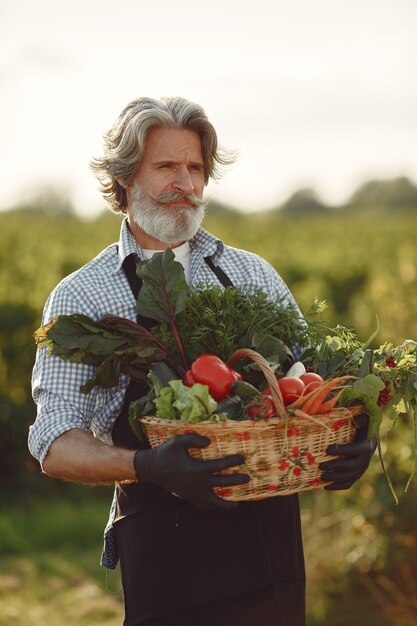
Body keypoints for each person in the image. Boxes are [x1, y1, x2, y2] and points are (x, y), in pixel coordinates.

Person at [29, 96, 376, 626]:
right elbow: (54, 443)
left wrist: (353, 437)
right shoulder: (82, 296)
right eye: (166, 166)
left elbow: (312, 384)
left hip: (270, 560)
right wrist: (146, 465)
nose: (185, 183)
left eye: (195, 168)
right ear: (125, 180)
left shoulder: (253, 274)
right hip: (166, 565)